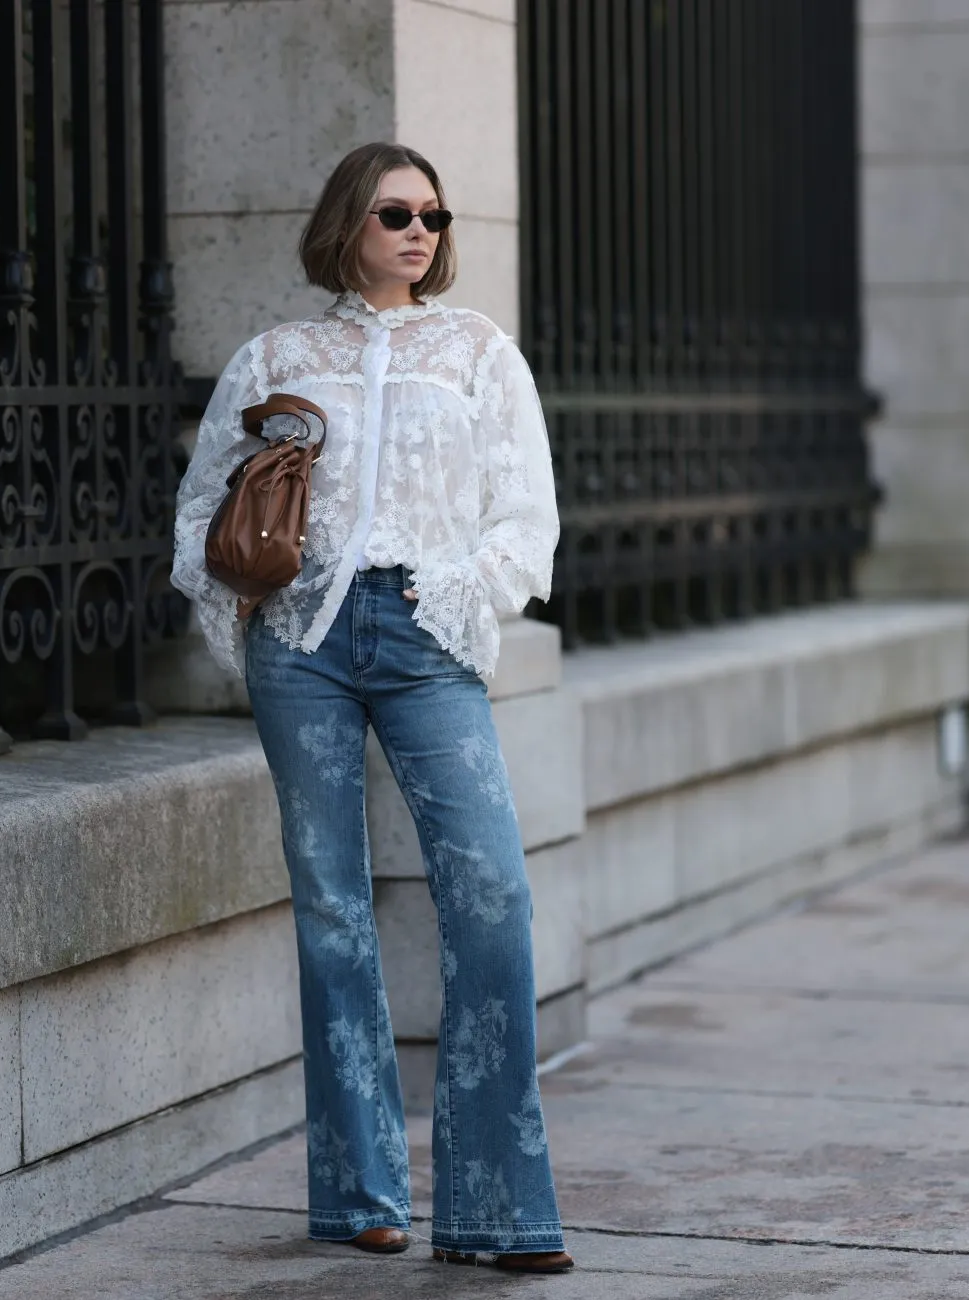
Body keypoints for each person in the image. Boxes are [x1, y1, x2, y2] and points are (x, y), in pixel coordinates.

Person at [171, 142, 572, 1274]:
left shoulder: (478, 353)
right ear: (347, 220)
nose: (418, 232)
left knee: (490, 896)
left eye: (433, 216)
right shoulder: (277, 353)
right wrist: (246, 605)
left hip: (426, 635)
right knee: (332, 911)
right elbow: (205, 498)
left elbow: (523, 516)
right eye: (395, 212)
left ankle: (494, 1204)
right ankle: (359, 1193)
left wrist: (462, 593)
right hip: (301, 643)